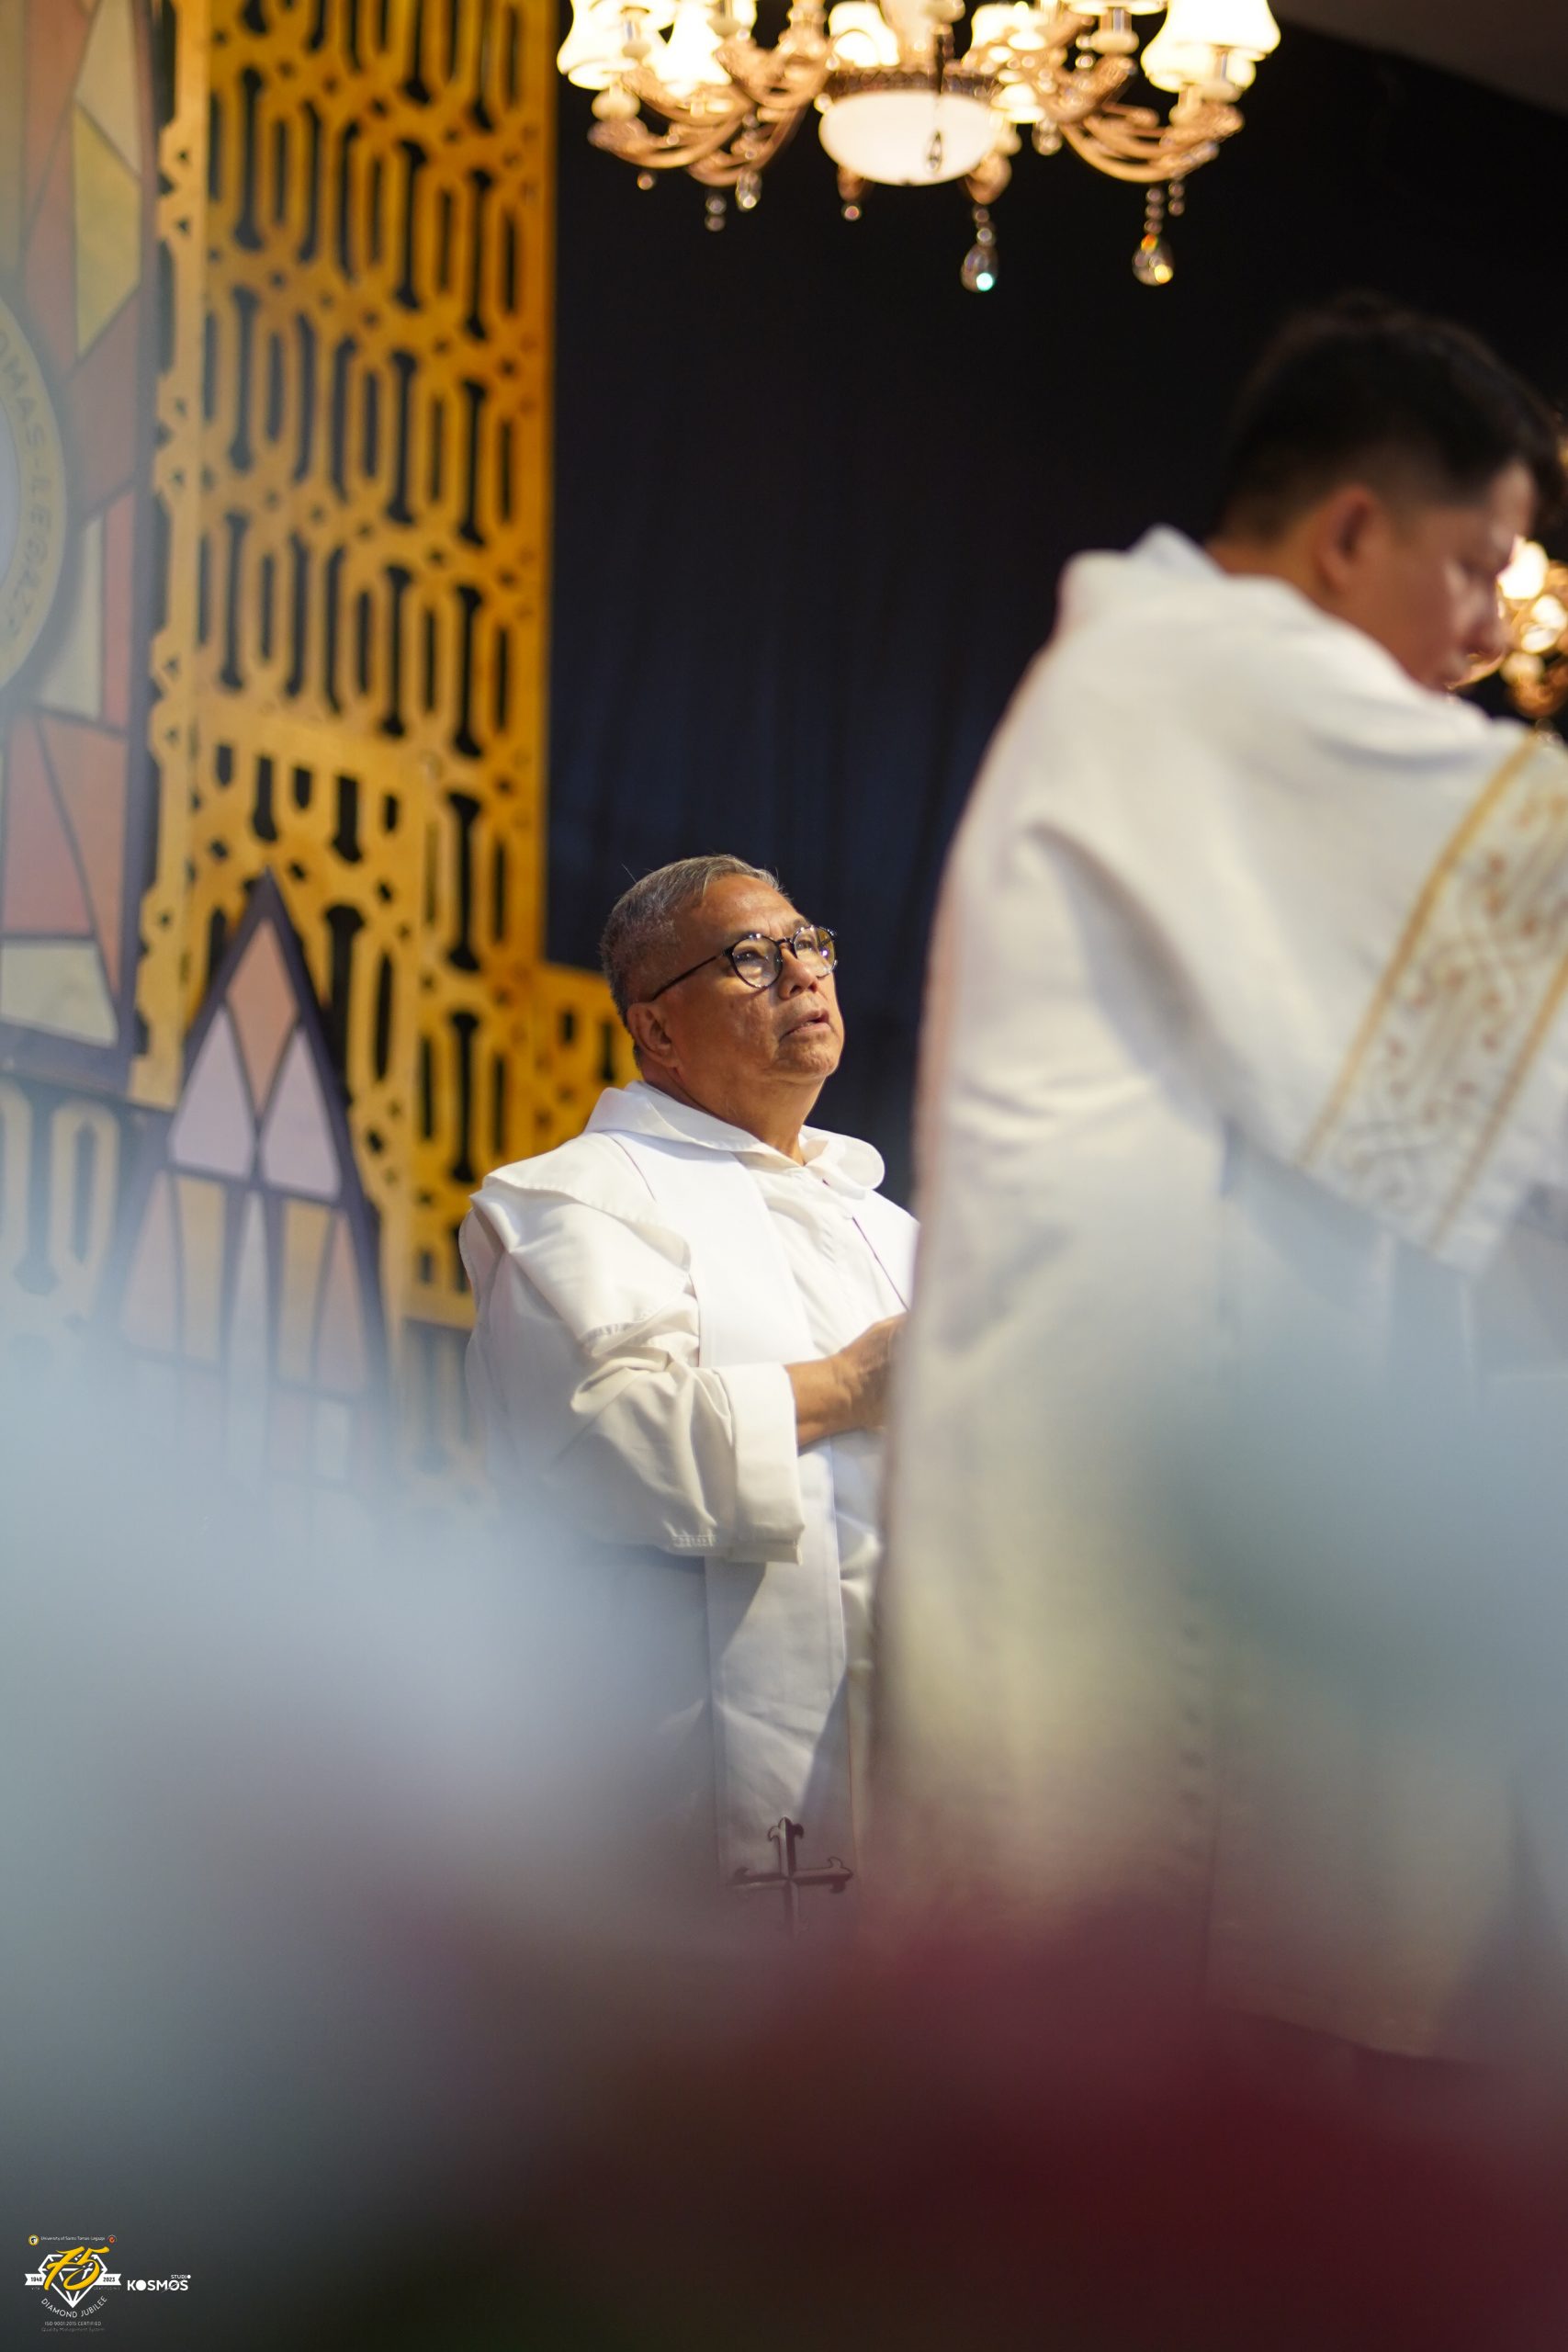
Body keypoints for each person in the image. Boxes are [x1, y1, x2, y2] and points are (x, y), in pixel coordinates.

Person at [875, 299, 1568, 2064]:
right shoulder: (1202, 676)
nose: (1493, 630)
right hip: (1139, 1527)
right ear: (1349, 532)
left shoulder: (1156, 681)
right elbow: (1539, 896)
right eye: (1475, 565)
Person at [461, 854, 915, 1905]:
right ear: (656, 1029)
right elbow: (600, 1439)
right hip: (678, 1822)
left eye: (808, 943)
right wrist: (849, 1385)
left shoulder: (898, 1233)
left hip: (921, 1813)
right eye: (750, 956)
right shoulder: (572, 1200)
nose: (800, 972)